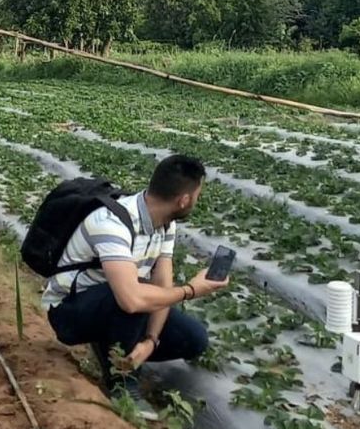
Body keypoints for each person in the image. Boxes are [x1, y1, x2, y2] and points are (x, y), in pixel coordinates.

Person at [44, 155, 229, 395]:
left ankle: (112, 345)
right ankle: (122, 381)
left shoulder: (165, 223)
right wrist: (190, 291)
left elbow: (162, 284)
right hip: (69, 312)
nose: (196, 200)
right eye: (197, 195)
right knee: (134, 294)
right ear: (184, 200)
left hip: (116, 303)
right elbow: (132, 300)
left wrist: (151, 341)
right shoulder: (112, 223)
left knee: (194, 340)